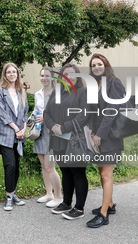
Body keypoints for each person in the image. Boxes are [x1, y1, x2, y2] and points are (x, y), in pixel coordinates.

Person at [44, 63, 90, 220]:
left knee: (78, 173)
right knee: (65, 171)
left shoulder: (82, 92)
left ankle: (80, 208)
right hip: (58, 140)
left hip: (74, 140)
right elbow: (46, 113)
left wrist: (64, 128)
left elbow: (83, 115)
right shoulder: (56, 92)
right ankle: (67, 202)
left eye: (72, 74)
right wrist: (53, 127)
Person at [85, 53, 125, 228]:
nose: (96, 67)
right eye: (93, 65)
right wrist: (92, 133)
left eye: (99, 64)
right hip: (98, 136)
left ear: (106, 65)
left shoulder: (113, 83)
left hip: (110, 136)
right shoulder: (95, 85)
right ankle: (109, 204)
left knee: (105, 175)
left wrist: (100, 134)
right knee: (102, 173)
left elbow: (112, 110)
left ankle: (103, 215)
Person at [0, 62, 29, 211]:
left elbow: (25, 112)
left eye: (14, 72)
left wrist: (24, 129)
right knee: (10, 165)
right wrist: (16, 129)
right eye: (8, 72)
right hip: (6, 133)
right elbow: (2, 113)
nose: (11, 74)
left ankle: (13, 193)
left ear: (17, 74)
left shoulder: (21, 90)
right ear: (4, 74)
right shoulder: (0, 90)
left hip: (19, 135)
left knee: (16, 167)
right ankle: (8, 196)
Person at [30, 67, 62, 208]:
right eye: (42, 75)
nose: (44, 78)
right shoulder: (38, 94)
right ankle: (48, 193)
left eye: (47, 75)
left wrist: (46, 117)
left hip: (52, 133)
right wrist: (30, 119)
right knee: (43, 166)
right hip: (39, 132)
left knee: (50, 167)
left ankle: (58, 196)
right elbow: (36, 110)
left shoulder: (57, 94)